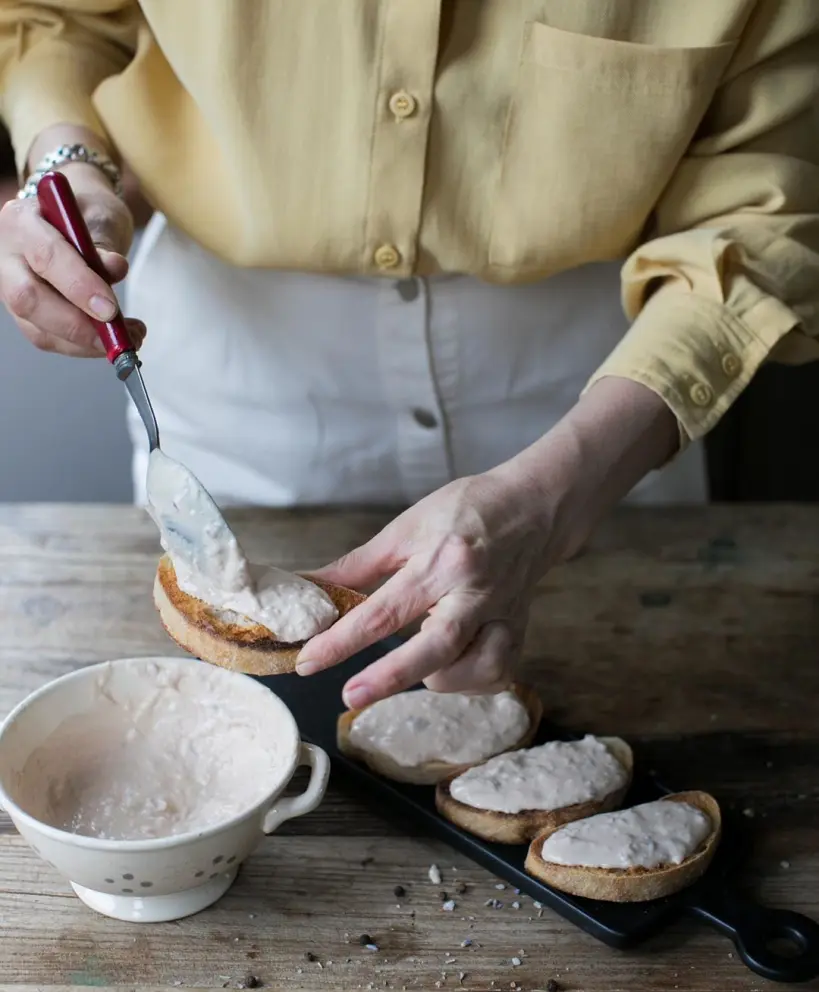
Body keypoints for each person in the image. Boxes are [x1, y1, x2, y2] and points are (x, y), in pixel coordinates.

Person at [1, 3, 818, 710]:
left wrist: (558, 493)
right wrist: (68, 161)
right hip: (240, 389)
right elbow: (58, 20)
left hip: (597, 407)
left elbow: (763, 217)